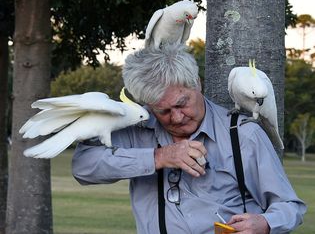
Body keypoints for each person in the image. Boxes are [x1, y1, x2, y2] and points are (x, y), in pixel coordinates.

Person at [72, 44, 306, 234]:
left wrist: (265, 224)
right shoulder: (137, 128)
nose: (176, 117)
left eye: (181, 103)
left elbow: (290, 207)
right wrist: (158, 157)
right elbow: (83, 166)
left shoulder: (243, 134)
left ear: (197, 84)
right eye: (162, 111)